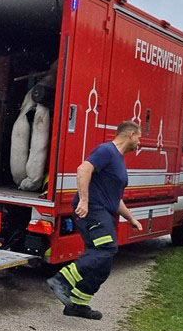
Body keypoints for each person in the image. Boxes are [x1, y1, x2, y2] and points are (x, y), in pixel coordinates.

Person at [46, 121, 143, 320]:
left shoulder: (118, 160)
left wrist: (131, 218)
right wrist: (84, 200)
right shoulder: (107, 150)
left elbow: (114, 199)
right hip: (92, 210)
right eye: (139, 137)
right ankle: (61, 279)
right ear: (131, 134)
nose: (140, 142)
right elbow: (83, 169)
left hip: (103, 210)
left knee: (104, 262)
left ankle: (78, 304)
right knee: (105, 249)